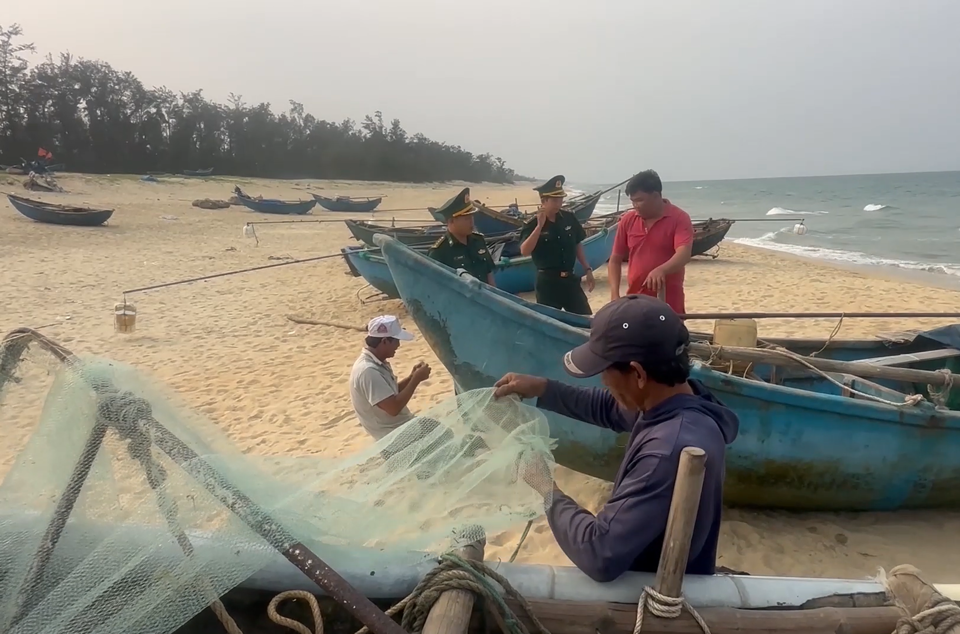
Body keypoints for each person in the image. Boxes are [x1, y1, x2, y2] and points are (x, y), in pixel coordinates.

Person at [493, 295, 739, 582]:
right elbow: (610, 408)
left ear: (637, 373)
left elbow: (599, 553)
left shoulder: (666, 452)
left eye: (604, 371)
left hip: (650, 589)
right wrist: (545, 389)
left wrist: (545, 487)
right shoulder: (679, 401)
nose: (602, 382)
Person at [609, 170, 694, 314]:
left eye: (640, 200)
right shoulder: (628, 220)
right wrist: (614, 293)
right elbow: (615, 259)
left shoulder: (679, 218)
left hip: (669, 300)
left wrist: (661, 270)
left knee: (670, 334)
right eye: (633, 201)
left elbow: (684, 253)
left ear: (656, 196)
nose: (636, 205)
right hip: (636, 299)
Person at [519, 175, 595, 315]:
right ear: (543, 201)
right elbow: (524, 250)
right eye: (554, 200)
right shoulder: (532, 224)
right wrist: (539, 227)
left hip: (569, 281)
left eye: (560, 199)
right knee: (550, 322)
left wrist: (587, 269)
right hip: (548, 284)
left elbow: (577, 244)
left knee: (585, 319)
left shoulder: (569, 218)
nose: (558, 203)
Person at [349, 315, 431, 440]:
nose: (398, 345)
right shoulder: (368, 371)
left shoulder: (376, 362)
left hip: (402, 427)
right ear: (385, 341)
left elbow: (389, 394)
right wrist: (416, 380)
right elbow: (393, 408)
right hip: (394, 438)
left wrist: (411, 377)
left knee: (442, 432)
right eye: (396, 340)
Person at [428, 187, 496, 287]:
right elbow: (435, 286)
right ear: (451, 221)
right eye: (466, 218)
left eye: (472, 217)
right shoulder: (439, 251)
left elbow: (489, 275)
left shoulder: (478, 241)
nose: (471, 221)